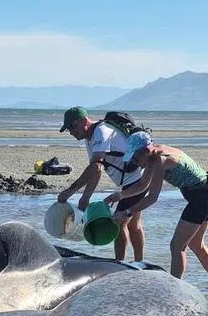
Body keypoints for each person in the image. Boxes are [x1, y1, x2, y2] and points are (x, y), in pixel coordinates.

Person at [107, 131, 208, 290]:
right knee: (196, 244)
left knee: (176, 246)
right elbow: (143, 185)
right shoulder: (155, 155)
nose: (134, 162)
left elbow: (152, 197)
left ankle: (174, 289)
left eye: (135, 157)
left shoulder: (159, 161)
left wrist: (127, 212)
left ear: (146, 151)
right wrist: (119, 195)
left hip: (202, 199)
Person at [55, 107, 145, 261]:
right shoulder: (90, 138)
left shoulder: (101, 132)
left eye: (72, 127)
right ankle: (140, 263)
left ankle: (119, 264)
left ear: (84, 121)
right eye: (68, 129)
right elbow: (96, 170)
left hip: (137, 180)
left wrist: (72, 192)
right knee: (133, 224)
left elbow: (96, 166)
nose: (70, 131)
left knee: (118, 222)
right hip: (133, 179)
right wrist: (84, 197)